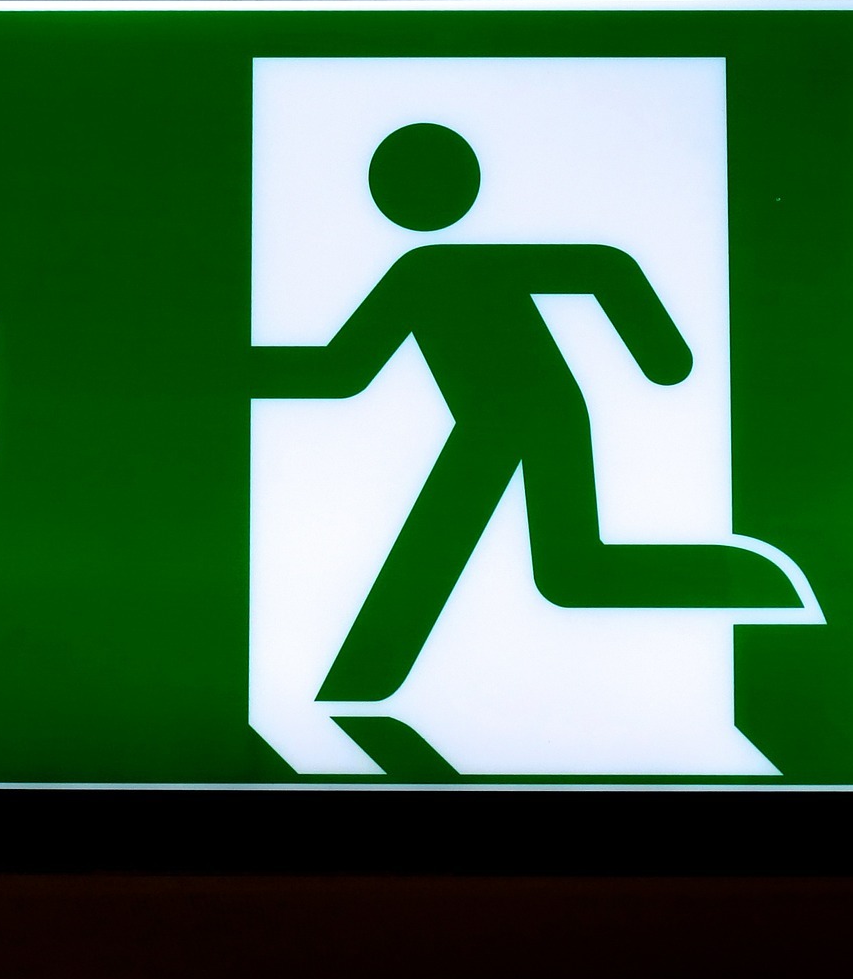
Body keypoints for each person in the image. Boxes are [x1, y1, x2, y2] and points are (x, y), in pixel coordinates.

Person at [254, 123, 799, 704]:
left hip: (537, 416)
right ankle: (756, 586)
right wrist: (661, 356)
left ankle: (359, 683)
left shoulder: (428, 270)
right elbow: (344, 371)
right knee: (570, 572)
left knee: (564, 570)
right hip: (497, 423)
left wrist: (662, 355)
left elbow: (600, 267)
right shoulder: (420, 272)